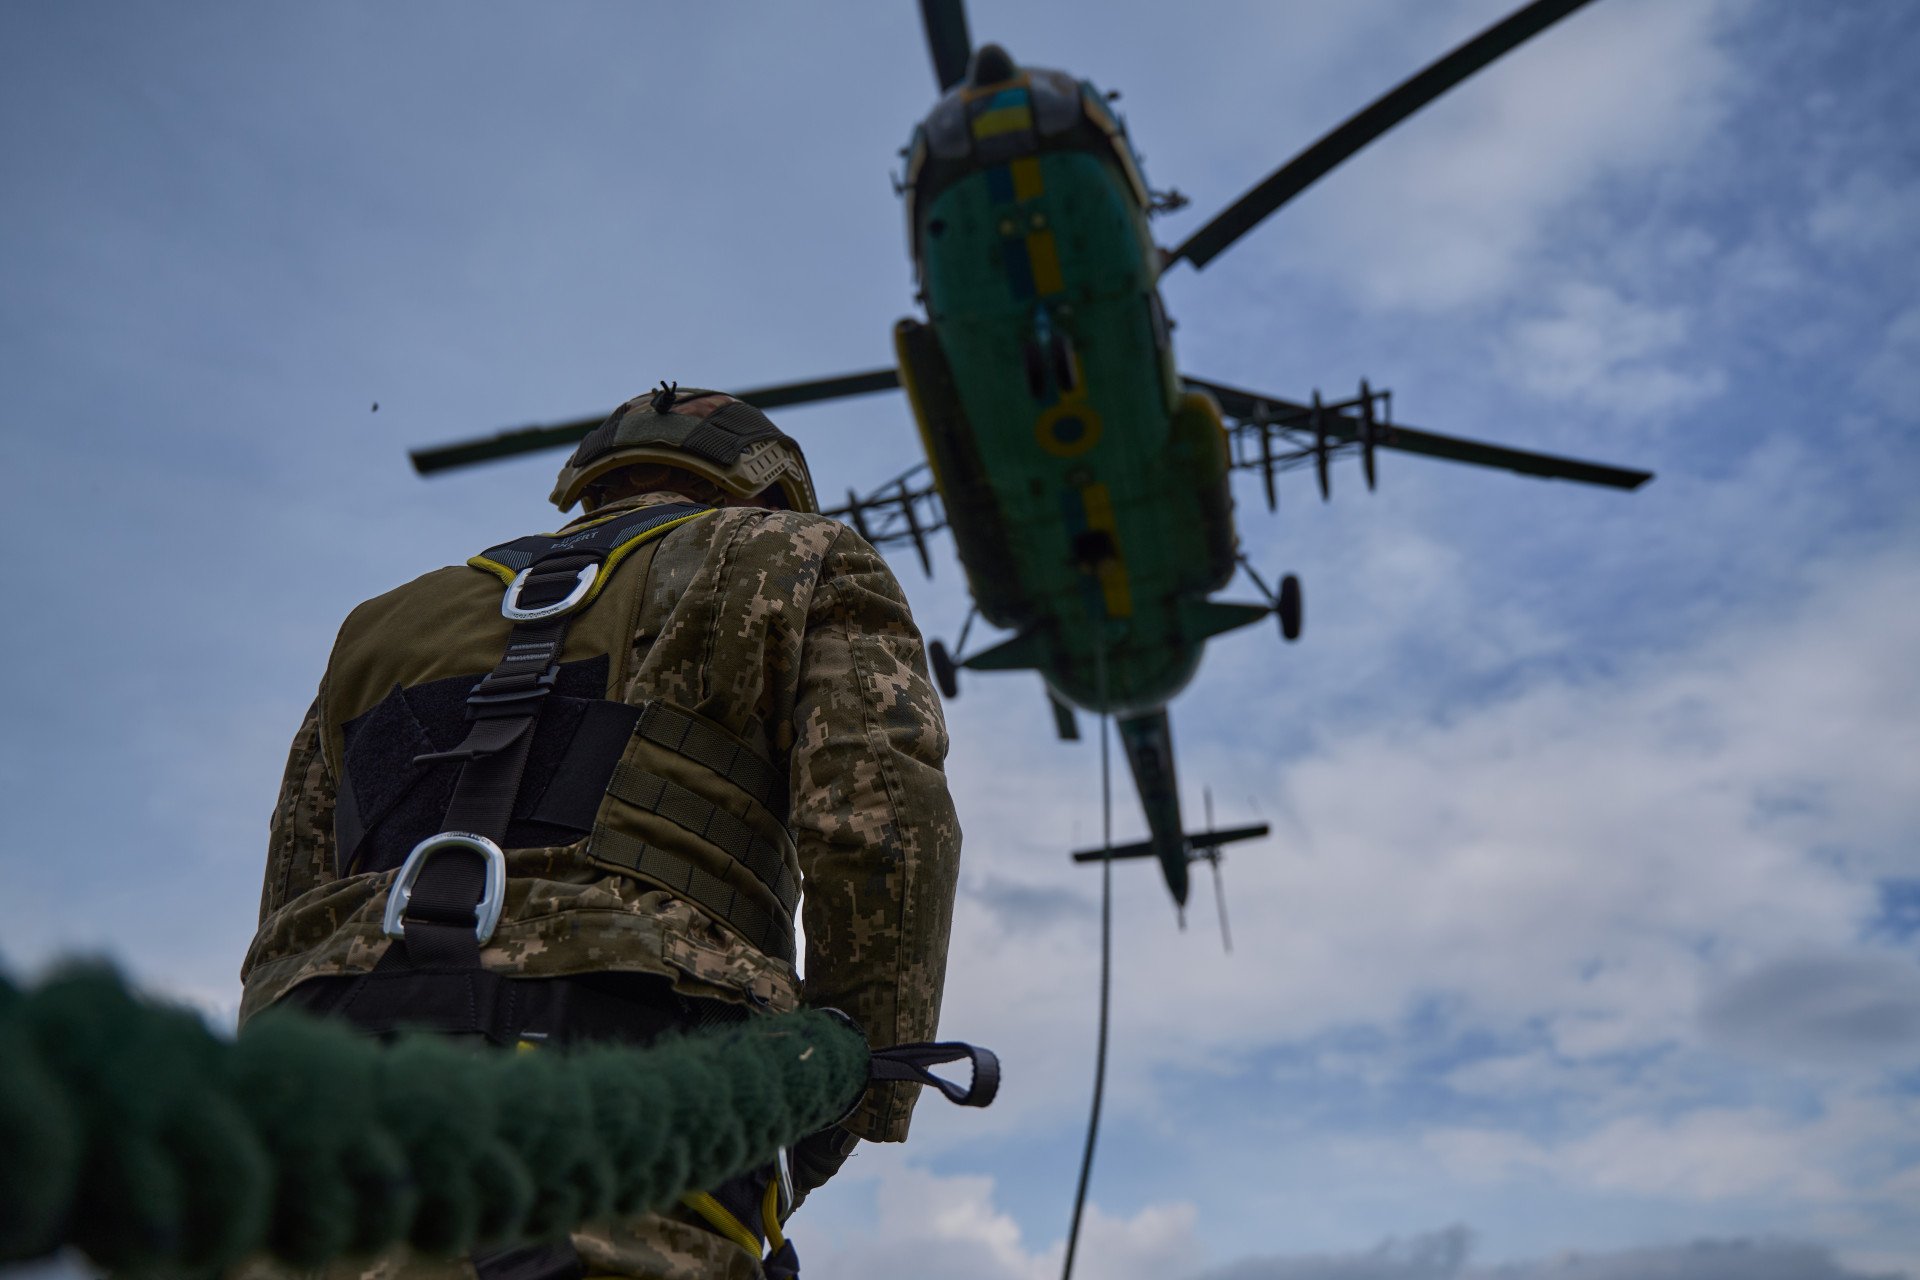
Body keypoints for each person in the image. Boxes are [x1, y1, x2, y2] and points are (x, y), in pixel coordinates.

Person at [238, 383, 961, 1279]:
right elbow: (881, 827)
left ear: (590, 486)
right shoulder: (797, 555)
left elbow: (298, 890)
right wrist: (852, 1087)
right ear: (765, 490)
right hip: (631, 1079)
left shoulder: (381, 623)